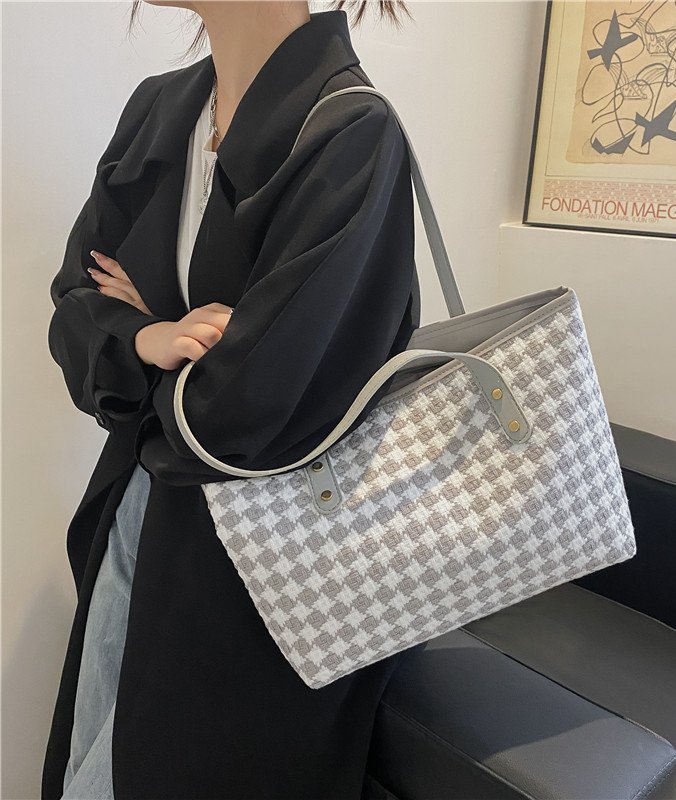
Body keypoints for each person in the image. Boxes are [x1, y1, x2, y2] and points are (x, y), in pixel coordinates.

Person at [42, 2, 423, 798]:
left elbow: (244, 411)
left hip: (259, 578)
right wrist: (152, 337)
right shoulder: (161, 109)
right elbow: (74, 312)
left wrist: (135, 336)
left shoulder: (353, 135)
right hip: (136, 512)